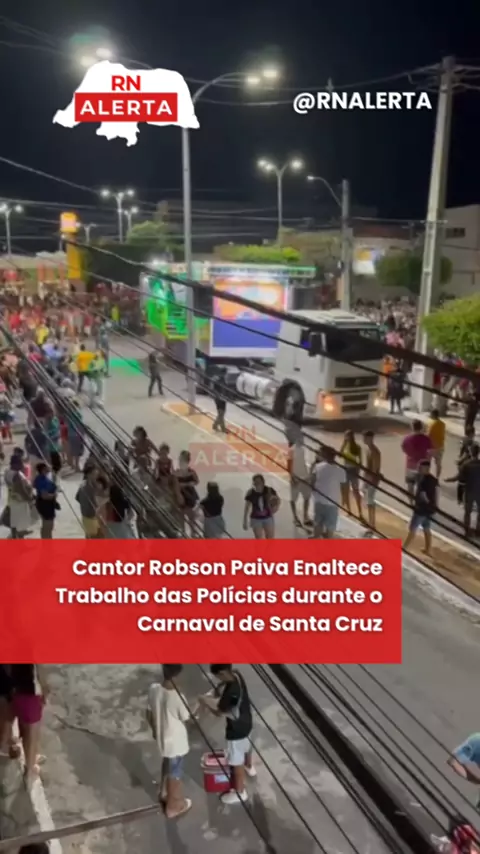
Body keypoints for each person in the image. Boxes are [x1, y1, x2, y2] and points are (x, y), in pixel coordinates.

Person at [201, 665, 255, 805]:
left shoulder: (231, 693)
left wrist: (205, 702)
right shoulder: (236, 674)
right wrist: (215, 691)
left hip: (236, 730)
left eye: (218, 676)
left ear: (223, 673)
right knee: (247, 746)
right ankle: (249, 766)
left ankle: (240, 792)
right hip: (247, 721)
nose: (218, 679)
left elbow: (219, 712)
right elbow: (221, 687)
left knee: (236, 762)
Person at [147, 664, 192, 819]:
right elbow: (187, 718)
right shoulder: (178, 698)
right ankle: (173, 806)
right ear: (177, 676)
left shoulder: (154, 689)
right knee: (175, 774)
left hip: (163, 740)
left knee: (166, 763)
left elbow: (148, 713)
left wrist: (155, 730)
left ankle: (163, 792)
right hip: (176, 743)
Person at [10, 664, 49, 781]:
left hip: (14, 685)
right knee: (32, 730)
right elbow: (39, 666)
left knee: (24, 725)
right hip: (30, 689)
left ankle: (31, 758)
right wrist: (45, 687)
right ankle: (30, 769)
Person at [403, 459, 438, 556]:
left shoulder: (423, 481)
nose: (419, 469)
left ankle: (404, 547)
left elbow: (423, 495)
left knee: (413, 528)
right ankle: (427, 549)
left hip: (421, 509)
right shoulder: (432, 479)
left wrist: (419, 502)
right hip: (429, 509)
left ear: (426, 468)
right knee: (426, 528)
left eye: (421, 468)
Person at [311, 446, 346, 539]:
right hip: (333, 502)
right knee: (330, 527)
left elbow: (312, 482)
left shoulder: (318, 467)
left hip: (319, 500)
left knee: (318, 523)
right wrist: (344, 499)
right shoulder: (341, 470)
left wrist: (314, 493)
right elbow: (344, 487)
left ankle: (316, 538)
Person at [3, 452, 34, 539]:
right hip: (20, 501)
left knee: (14, 523)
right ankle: (20, 542)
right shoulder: (16, 475)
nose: (22, 465)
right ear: (15, 464)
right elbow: (21, 490)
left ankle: (14, 538)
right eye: (20, 463)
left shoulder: (7, 472)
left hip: (12, 498)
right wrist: (29, 499)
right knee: (20, 525)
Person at [447, 733, 480, 811]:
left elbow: (453, 761)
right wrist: (475, 780)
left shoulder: (476, 741)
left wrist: (475, 780)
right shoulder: (477, 742)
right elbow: (453, 761)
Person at [401, 420, 433, 499]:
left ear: (412, 427)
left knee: (410, 485)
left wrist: (410, 454)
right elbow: (430, 453)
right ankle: (419, 502)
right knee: (421, 487)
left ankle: (410, 502)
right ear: (421, 427)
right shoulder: (426, 439)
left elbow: (403, 448)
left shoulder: (407, 438)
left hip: (410, 466)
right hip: (422, 467)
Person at [243, 473, 279, 539]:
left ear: (263, 482)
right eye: (255, 482)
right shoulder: (251, 492)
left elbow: (277, 500)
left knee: (270, 537)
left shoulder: (269, 490)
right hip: (256, 519)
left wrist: (275, 508)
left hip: (268, 517)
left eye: (259, 482)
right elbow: (247, 507)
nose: (257, 484)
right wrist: (245, 520)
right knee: (259, 538)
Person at [287, 436, 312, 528]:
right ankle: (295, 517)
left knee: (307, 497)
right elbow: (289, 465)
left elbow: (303, 463)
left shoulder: (303, 449)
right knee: (293, 499)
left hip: (304, 477)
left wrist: (308, 477)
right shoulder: (291, 450)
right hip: (296, 478)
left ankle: (305, 517)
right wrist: (292, 477)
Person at [339, 430, 363, 518]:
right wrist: (343, 444)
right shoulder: (345, 446)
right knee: (346, 491)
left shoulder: (357, 447)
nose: (346, 438)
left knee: (355, 491)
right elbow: (340, 455)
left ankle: (360, 511)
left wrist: (358, 471)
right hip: (346, 469)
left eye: (347, 436)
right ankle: (349, 511)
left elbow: (360, 461)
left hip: (353, 469)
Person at [175, 450, 199, 536]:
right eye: (180, 460)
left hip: (189, 496)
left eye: (183, 460)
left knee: (191, 517)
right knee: (181, 517)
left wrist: (188, 484)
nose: (181, 462)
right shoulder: (177, 472)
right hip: (181, 495)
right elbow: (175, 484)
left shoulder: (191, 472)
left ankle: (193, 534)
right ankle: (183, 534)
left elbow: (196, 481)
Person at [362, 430, 381, 532]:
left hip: (372, 479)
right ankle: (370, 522)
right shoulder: (368, 450)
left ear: (370, 438)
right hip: (368, 478)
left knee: (370, 501)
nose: (363, 439)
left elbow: (374, 469)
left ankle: (372, 524)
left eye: (365, 438)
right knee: (368, 501)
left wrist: (369, 480)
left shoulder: (375, 452)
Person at [33, 462, 58, 539]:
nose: (49, 468)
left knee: (48, 525)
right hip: (45, 504)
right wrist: (54, 495)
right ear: (43, 469)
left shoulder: (44, 478)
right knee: (48, 525)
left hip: (47, 503)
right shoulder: (41, 480)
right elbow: (45, 496)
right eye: (47, 467)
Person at [75, 464, 101, 538]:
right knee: (93, 538)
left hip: (85, 515)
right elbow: (96, 503)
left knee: (89, 536)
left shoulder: (83, 484)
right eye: (94, 474)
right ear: (89, 474)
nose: (96, 476)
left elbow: (77, 497)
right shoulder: (89, 487)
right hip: (91, 516)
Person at [427, 408, 446, 479]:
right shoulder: (443, 424)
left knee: (427, 462)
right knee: (438, 464)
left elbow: (428, 435)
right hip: (440, 446)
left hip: (432, 447)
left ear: (433, 415)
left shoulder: (432, 424)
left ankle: (427, 476)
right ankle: (437, 478)